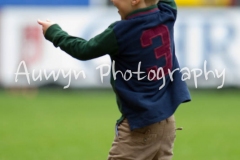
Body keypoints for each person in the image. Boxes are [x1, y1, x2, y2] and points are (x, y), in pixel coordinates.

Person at [38, 0, 191, 159]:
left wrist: (55, 33)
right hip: (167, 123)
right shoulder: (167, 13)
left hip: (140, 127)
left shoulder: (121, 32)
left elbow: (83, 50)